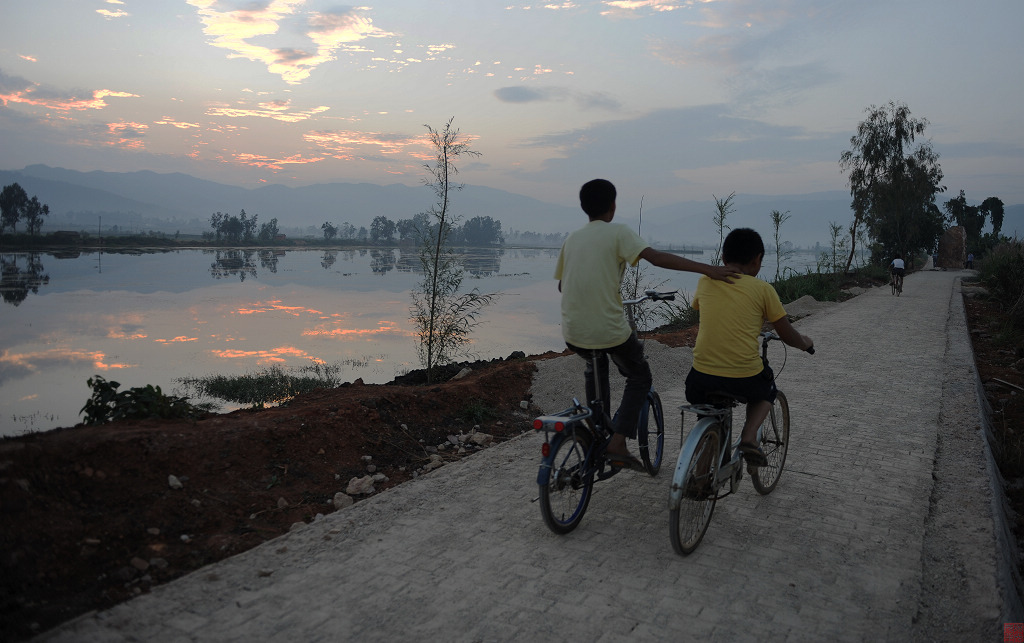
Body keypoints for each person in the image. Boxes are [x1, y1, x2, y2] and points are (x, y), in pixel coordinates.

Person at [554, 178, 740, 471]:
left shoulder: (572, 239)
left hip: (573, 332)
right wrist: (707, 269)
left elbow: (564, 286)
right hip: (608, 330)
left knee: (595, 366)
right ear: (613, 206)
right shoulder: (618, 233)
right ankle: (617, 442)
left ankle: (596, 432)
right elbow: (656, 258)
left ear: (583, 208)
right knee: (639, 377)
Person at [684, 228, 813, 466]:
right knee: (767, 388)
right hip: (742, 377)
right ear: (757, 260)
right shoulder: (763, 290)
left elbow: (704, 309)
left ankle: (699, 475)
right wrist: (805, 342)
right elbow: (786, 333)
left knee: (711, 413)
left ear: (723, 259)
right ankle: (749, 436)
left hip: (699, 379)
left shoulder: (705, 281)